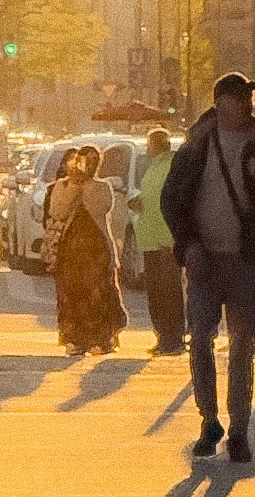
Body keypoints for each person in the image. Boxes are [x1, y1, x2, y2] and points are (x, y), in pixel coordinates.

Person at [161, 74, 255, 464]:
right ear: (222, 103)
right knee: (201, 339)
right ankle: (209, 421)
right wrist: (187, 244)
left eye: (249, 99)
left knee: (242, 347)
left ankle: (239, 430)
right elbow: (171, 199)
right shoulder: (196, 145)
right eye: (240, 99)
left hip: (246, 260)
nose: (248, 106)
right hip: (203, 260)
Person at [47, 145, 125, 355]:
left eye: (90, 162)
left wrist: (86, 184)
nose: (85, 166)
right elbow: (57, 212)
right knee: (70, 293)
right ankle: (74, 339)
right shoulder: (62, 186)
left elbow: (99, 208)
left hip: (96, 249)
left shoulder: (102, 186)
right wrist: (73, 185)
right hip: (68, 250)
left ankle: (101, 339)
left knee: (98, 293)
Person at [133, 128, 184, 354]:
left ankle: (173, 338)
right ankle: (163, 336)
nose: (147, 149)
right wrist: (138, 203)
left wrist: (172, 239)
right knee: (155, 292)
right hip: (150, 240)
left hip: (165, 242)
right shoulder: (153, 169)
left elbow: (176, 204)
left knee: (168, 293)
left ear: (157, 145)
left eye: (149, 144)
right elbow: (152, 199)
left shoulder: (172, 168)